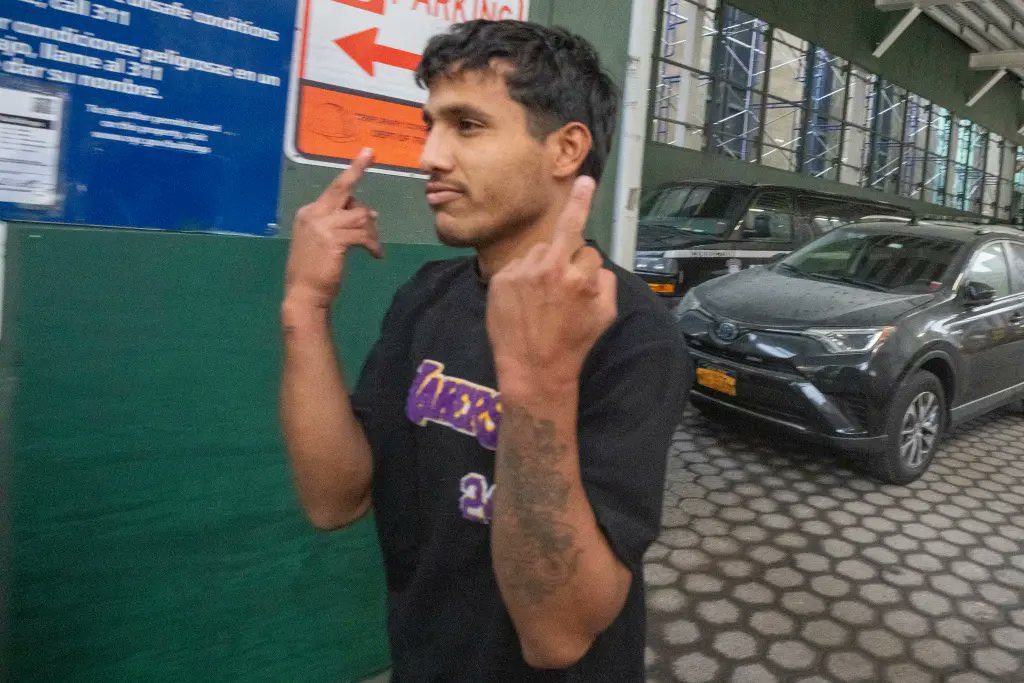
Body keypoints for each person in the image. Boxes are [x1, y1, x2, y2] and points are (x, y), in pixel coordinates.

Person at [280, 20, 691, 681]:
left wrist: (537, 380)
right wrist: (304, 307)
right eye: (431, 126)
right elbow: (335, 497)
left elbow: (556, 635)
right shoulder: (427, 296)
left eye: (466, 126)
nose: (430, 156)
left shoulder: (632, 332)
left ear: (565, 149)